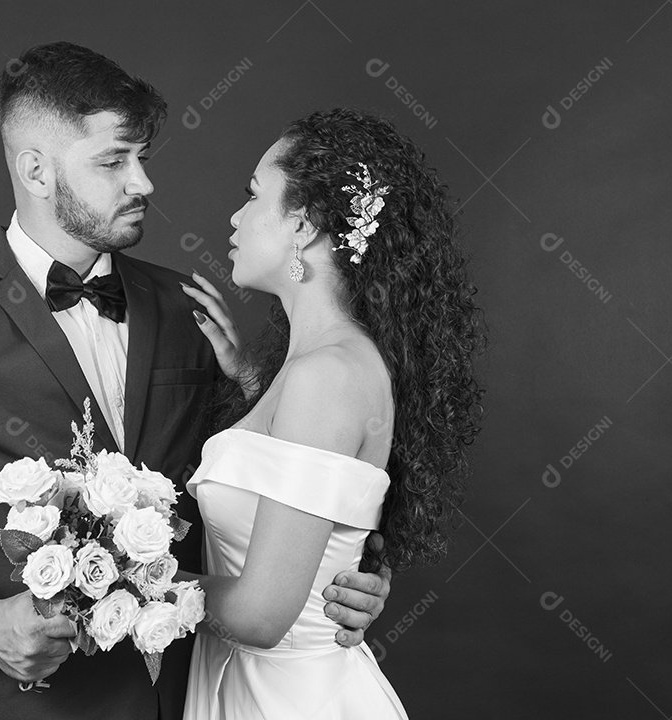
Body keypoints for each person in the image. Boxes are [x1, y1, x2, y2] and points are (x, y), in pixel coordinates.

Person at [0, 42, 389, 720]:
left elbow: (267, 485)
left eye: (142, 157)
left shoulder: (187, 307)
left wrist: (351, 571)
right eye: (114, 160)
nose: (143, 183)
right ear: (36, 171)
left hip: (193, 696)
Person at [177, 108, 486, 718]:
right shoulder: (320, 367)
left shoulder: (327, 376)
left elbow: (261, 615)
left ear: (304, 223)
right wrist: (251, 382)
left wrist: (127, 579)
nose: (235, 217)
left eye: (253, 195)